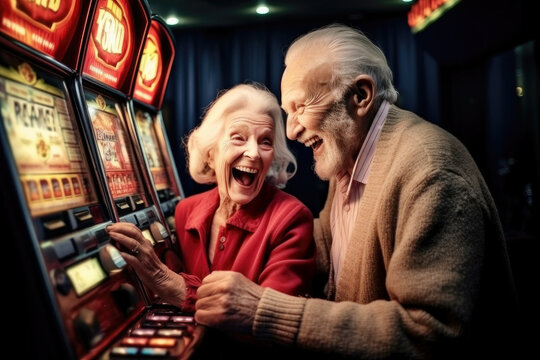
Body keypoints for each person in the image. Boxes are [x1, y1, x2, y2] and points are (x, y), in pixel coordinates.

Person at [194, 24, 520, 358]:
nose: (290, 132)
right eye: (287, 112)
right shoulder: (351, 154)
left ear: (361, 96)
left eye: (300, 107)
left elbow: (429, 333)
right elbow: (330, 249)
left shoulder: (430, 172)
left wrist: (264, 310)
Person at [106, 83, 316, 314]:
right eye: (238, 138)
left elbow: (273, 321)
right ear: (210, 153)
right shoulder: (186, 211)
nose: (254, 153)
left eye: (265, 141)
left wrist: (165, 280)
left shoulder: (292, 219)